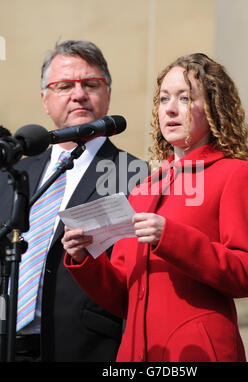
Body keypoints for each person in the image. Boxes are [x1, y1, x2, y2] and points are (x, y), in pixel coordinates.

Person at [62, 53, 248, 362]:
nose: (170, 109)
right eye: (163, 99)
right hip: (135, 354)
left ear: (213, 108)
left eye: (185, 98)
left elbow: (247, 273)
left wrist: (169, 237)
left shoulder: (238, 174)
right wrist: (84, 259)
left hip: (197, 350)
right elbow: (122, 296)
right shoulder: (144, 186)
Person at [0, 40, 146, 361]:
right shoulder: (11, 174)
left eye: (90, 84)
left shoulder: (135, 175)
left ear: (107, 94)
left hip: (84, 348)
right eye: (64, 85)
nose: (78, 94)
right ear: (45, 100)